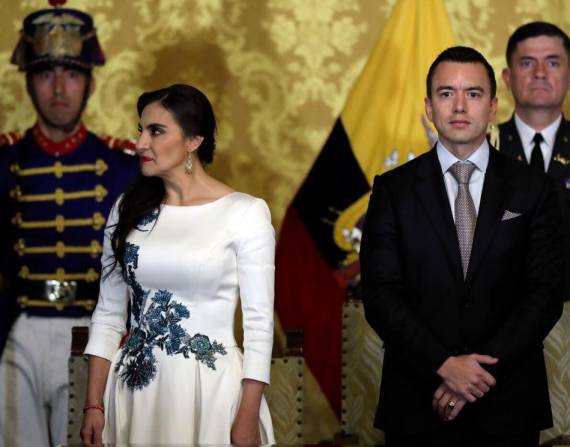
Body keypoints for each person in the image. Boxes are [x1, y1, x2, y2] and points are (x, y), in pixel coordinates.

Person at [360, 46, 563, 446]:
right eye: (445, 93)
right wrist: (442, 365)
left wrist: (474, 375)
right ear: (429, 106)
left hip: (508, 402)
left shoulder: (535, 188)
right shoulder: (393, 189)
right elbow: (381, 294)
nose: (458, 105)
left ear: (492, 106)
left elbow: (545, 294)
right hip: (417, 401)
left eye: (472, 93)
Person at [80, 84, 276, 446]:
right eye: (141, 130)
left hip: (211, 394)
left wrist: (247, 413)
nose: (140, 143)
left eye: (156, 131)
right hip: (133, 392)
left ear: (193, 140)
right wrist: (94, 405)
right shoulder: (126, 210)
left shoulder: (246, 213)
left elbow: (259, 326)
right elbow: (108, 315)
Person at [0, 3, 138, 446]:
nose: (59, 88)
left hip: (92, 330)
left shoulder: (124, 167)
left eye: (72, 74)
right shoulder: (4, 161)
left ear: (91, 84)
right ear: (28, 84)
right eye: (45, 74)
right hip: (16, 330)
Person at [499, 21, 570, 300]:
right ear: (507, 77)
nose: (540, 74)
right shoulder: (480, 147)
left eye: (553, 63)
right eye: (527, 63)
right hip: (497, 317)